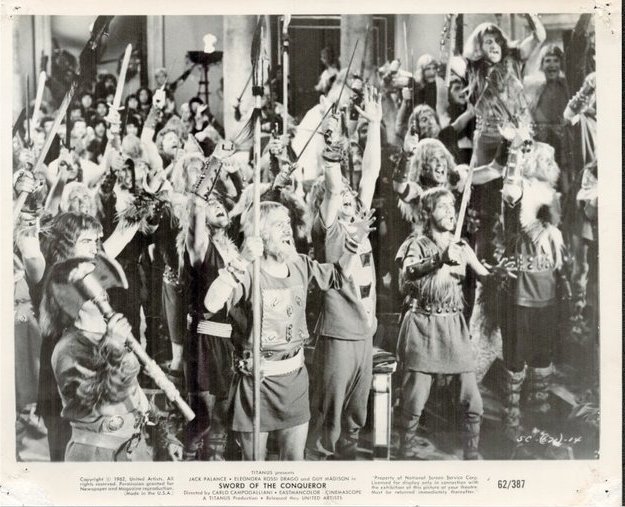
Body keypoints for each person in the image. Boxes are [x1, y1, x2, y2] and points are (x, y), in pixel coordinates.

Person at [203, 201, 365, 460]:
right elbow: (210, 304)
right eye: (279, 225)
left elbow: (337, 275)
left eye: (288, 223)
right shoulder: (249, 272)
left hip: (294, 379)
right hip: (258, 381)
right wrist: (241, 260)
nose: (288, 229)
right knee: (254, 466)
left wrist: (353, 245)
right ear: (261, 233)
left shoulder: (300, 264)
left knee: (294, 462)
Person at [394, 187, 501, 460]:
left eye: (452, 206)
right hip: (423, 325)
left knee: (472, 400)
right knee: (414, 400)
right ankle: (405, 453)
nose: (450, 212)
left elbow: (485, 275)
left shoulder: (461, 246)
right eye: (442, 207)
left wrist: (501, 275)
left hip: (454, 326)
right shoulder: (416, 244)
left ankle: (471, 455)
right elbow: (409, 272)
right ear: (428, 213)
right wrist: (440, 259)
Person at [40, 259, 182, 462]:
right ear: (68, 298)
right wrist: (113, 346)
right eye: (90, 282)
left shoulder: (110, 334)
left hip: (134, 449)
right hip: (96, 455)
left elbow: (133, 390)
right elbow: (96, 400)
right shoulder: (67, 349)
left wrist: (164, 436)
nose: (101, 289)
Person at [306, 86, 381, 460]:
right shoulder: (329, 228)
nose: (352, 200)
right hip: (338, 333)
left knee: (356, 414)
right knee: (329, 414)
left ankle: (349, 463)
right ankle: (317, 463)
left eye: (353, 199)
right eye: (345, 200)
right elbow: (335, 189)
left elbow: (370, 173)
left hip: (365, 330)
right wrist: (331, 150)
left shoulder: (358, 220)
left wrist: (375, 125)